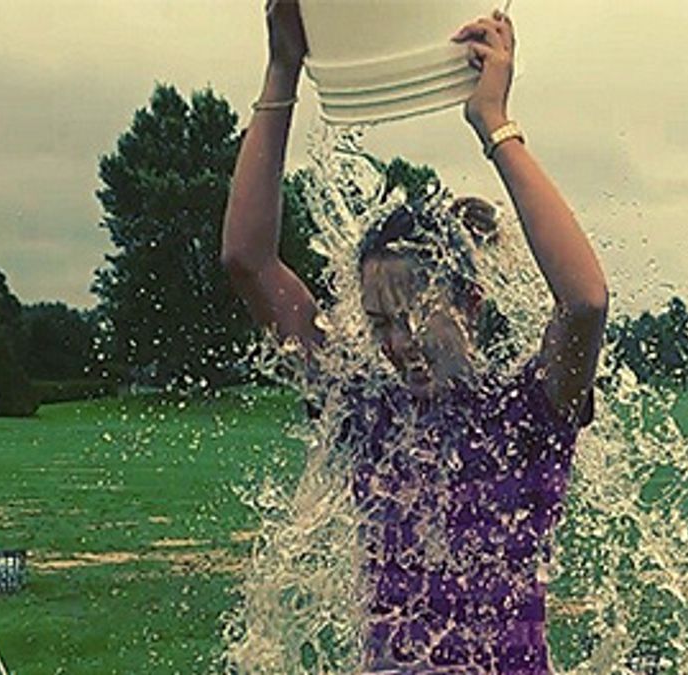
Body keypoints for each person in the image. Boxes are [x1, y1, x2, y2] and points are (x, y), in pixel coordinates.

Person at [221, 1, 608, 673]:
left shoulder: (528, 415)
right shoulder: (364, 412)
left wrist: (494, 123)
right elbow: (247, 260)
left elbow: (585, 300)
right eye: (378, 322)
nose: (397, 344)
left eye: (414, 315)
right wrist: (282, 68)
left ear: (471, 304)